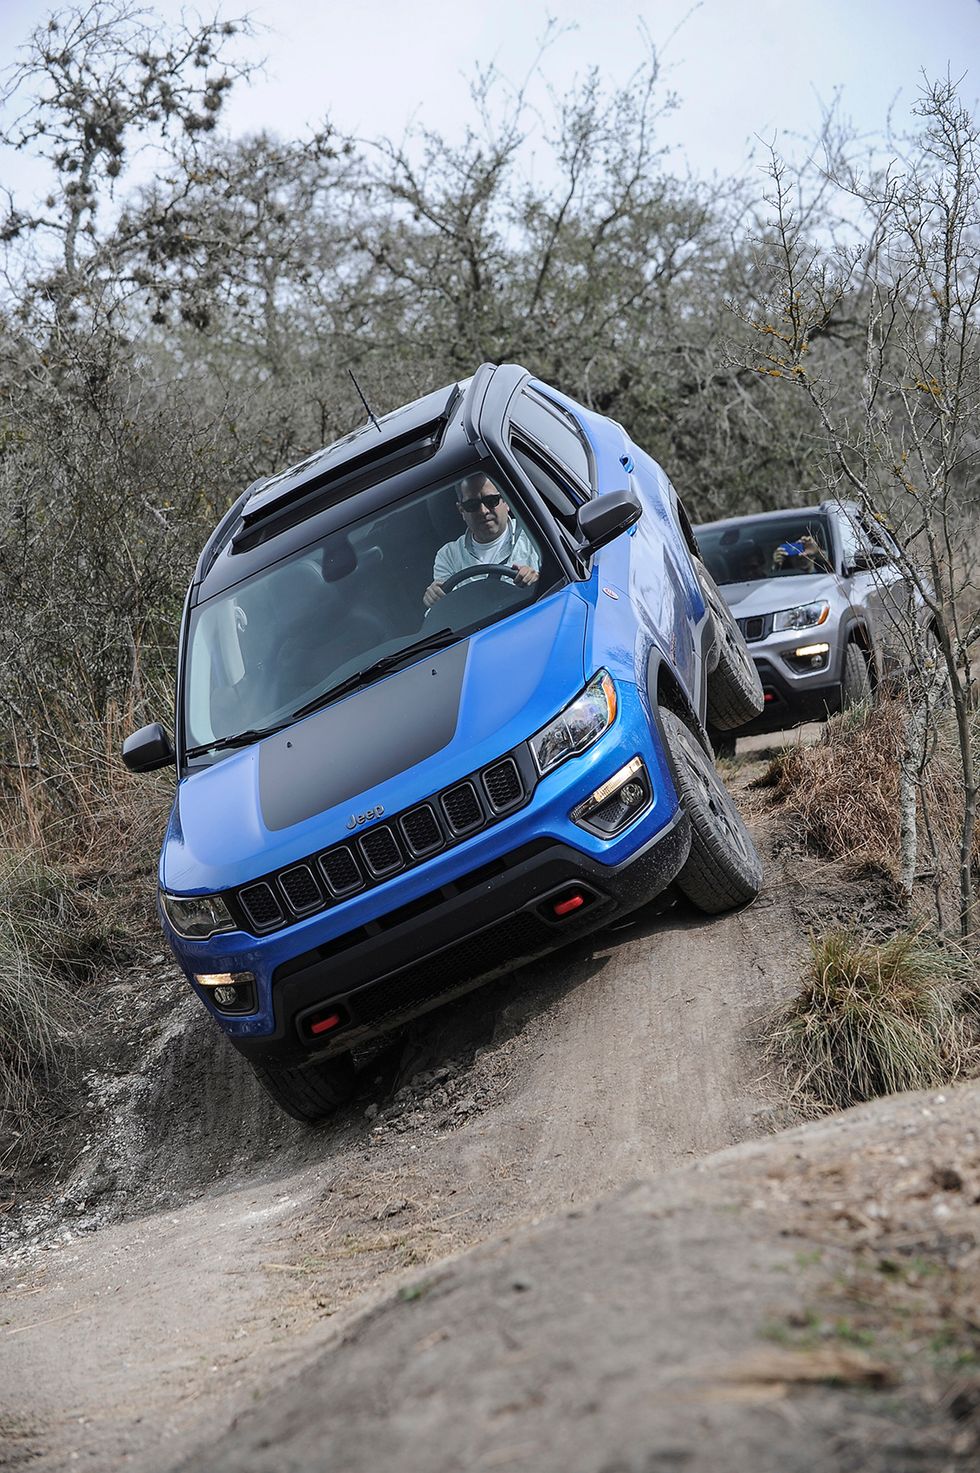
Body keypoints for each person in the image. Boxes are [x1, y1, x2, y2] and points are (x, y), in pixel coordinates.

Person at [423, 474, 540, 608]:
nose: (483, 511)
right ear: (461, 510)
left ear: (506, 501)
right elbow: (446, 611)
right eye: (472, 505)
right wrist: (434, 599)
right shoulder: (448, 556)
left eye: (491, 501)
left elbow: (557, 587)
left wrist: (537, 581)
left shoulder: (535, 535)